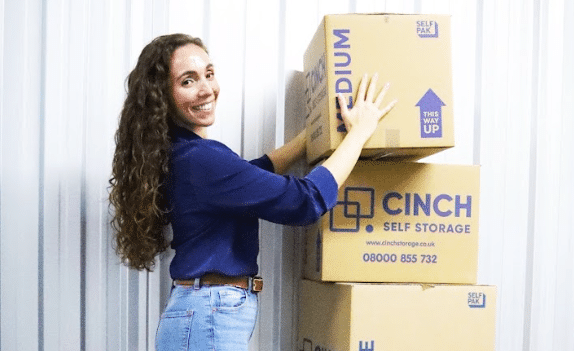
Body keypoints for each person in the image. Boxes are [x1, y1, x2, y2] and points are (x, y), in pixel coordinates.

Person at [108, 33, 396, 351]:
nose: (206, 89)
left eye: (209, 73)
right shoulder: (200, 159)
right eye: (187, 81)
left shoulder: (185, 154)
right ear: (162, 95)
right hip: (209, 315)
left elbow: (249, 176)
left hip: (204, 312)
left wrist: (308, 139)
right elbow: (305, 201)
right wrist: (360, 133)